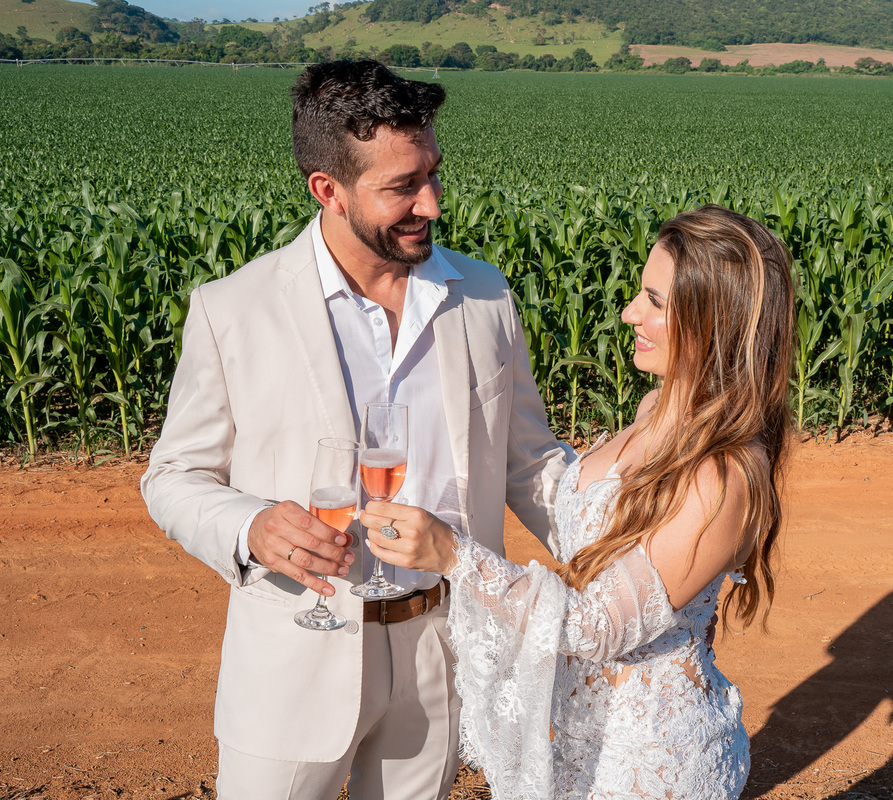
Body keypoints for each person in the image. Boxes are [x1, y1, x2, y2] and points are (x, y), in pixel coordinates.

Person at [140, 60, 574, 800]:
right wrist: (250, 527)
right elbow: (173, 478)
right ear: (328, 190)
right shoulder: (231, 309)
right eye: (402, 186)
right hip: (293, 652)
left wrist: (635, 540)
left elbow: (529, 461)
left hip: (441, 646)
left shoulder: (484, 295)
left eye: (433, 173)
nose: (431, 204)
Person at [362, 204, 796, 799]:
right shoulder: (656, 408)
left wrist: (452, 555)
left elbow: (596, 628)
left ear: (714, 322)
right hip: (585, 732)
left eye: (656, 301)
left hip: (649, 757)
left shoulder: (725, 478)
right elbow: (592, 539)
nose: (629, 313)